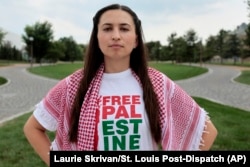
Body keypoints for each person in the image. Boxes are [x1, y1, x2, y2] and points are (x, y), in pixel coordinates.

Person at [23, 3, 217, 166]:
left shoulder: (158, 83)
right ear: (97, 38)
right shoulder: (73, 85)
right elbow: (32, 128)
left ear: (135, 40)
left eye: (124, 28)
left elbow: (208, 131)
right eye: (107, 28)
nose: (116, 35)